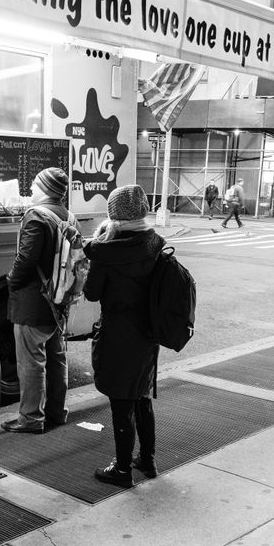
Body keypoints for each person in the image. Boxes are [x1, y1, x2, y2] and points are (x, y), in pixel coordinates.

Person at [83, 184, 163, 487]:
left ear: (114, 215)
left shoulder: (105, 252)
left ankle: (122, 469)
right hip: (147, 336)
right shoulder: (155, 243)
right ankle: (147, 459)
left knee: (120, 402)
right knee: (142, 397)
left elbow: (92, 293)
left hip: (117, 336)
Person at [1, 167, 78, 434]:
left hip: (34, 301)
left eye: (34, 184)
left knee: (31, 362)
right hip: (59, 299)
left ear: (45, 188)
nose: (31, 189)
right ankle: (57, 412)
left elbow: (26, 259)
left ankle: (31, 419)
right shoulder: (68, 216)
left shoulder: (37, 216)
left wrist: (11, 281)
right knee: (56, 357)